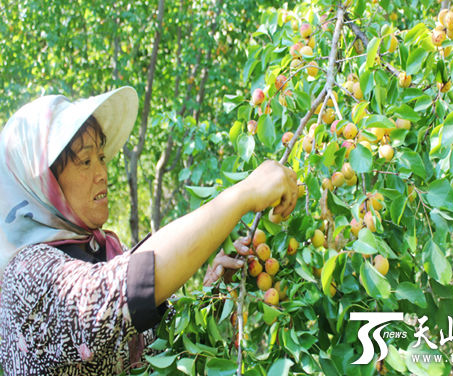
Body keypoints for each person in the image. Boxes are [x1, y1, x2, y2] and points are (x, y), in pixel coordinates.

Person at [0, 86, 298, 374]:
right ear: (42, 185)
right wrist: (242, 195)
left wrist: (213, 293)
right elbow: (110, 295)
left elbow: (161, 354)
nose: (102, 173)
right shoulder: (25, 277)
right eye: (85, 161)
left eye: (101, 158)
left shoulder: (99, 251)